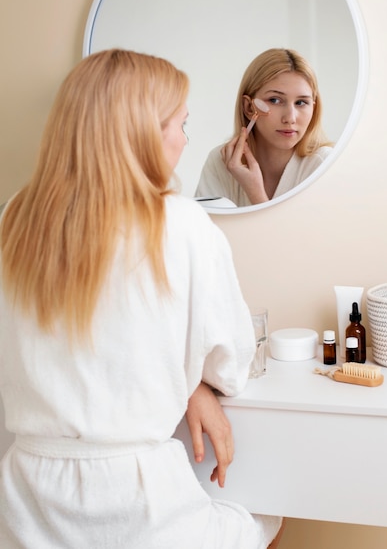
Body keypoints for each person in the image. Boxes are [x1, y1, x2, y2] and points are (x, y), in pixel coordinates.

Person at [0, 49, 284, 548]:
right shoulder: (182, 223)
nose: (183, 141)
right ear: (143, 133)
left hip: (24, 500)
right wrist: (195, 384)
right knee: (270, 516)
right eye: (180, 125)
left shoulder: (13, 219)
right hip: (135, 507)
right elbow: (233, 366)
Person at [195, 48, 333, 207]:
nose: (290, 118)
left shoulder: (324, 165)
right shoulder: (220, 162)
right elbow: (204, 230)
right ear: (248, 107)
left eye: (301, 103)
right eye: (275, 100)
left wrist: (256, 194)